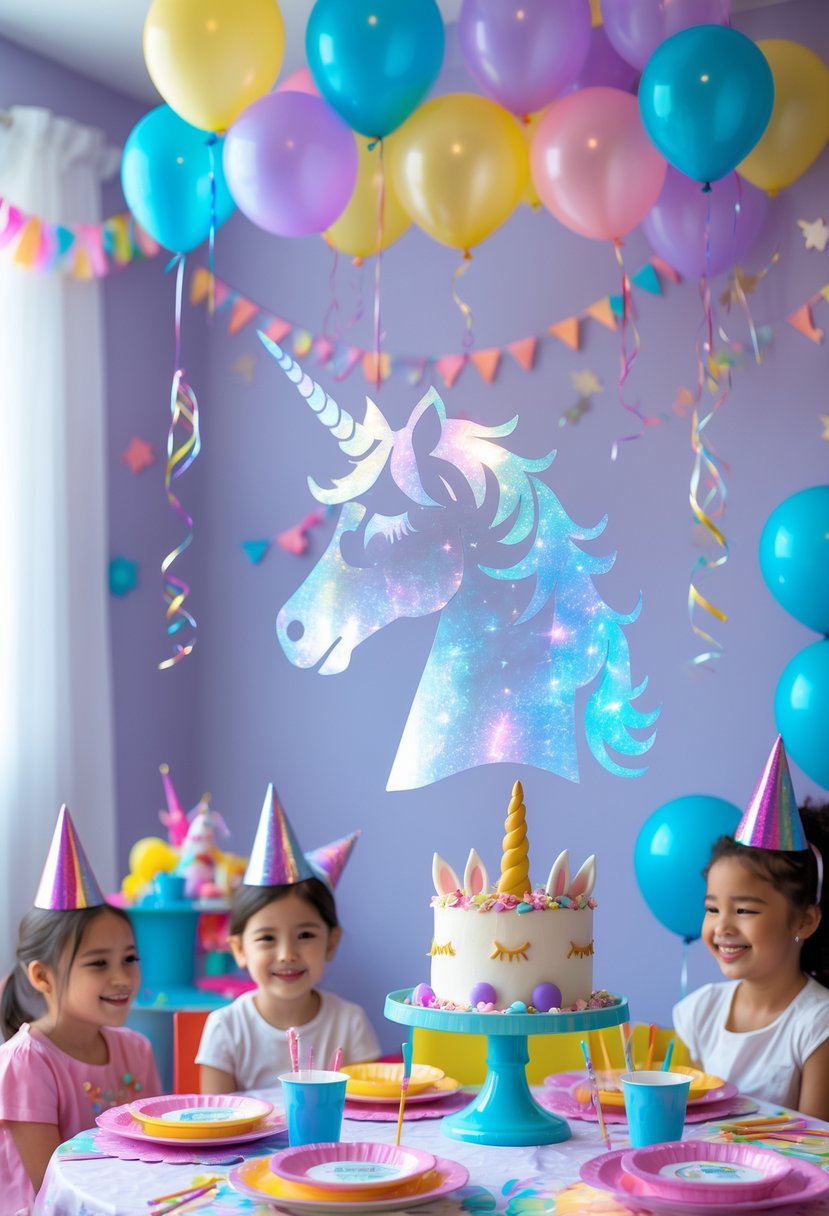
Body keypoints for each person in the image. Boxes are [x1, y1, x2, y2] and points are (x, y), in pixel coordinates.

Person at [0, 807, 160, 1215]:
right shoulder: (25, 1063)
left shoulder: (136, 1049)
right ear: (43, 977)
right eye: (98, 963)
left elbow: (160, 1147)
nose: (122, 977)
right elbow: (52, 1186)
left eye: (129, 958)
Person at [673, 739, 829, 1119]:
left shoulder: (817, 1024)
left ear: (804, 921)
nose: (722, 925)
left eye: (743, 909)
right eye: (712, 908)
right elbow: (693, 1121)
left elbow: (820, 1147)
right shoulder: (701, 1011)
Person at [197, 784, 380, 1093]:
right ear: (239, 949)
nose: (286, 953)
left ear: (331, 942)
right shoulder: (226, 1028)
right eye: (267, 938)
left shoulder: (350, 1023)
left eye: (305, 935)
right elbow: (218, 1122)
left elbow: (366, 1116)